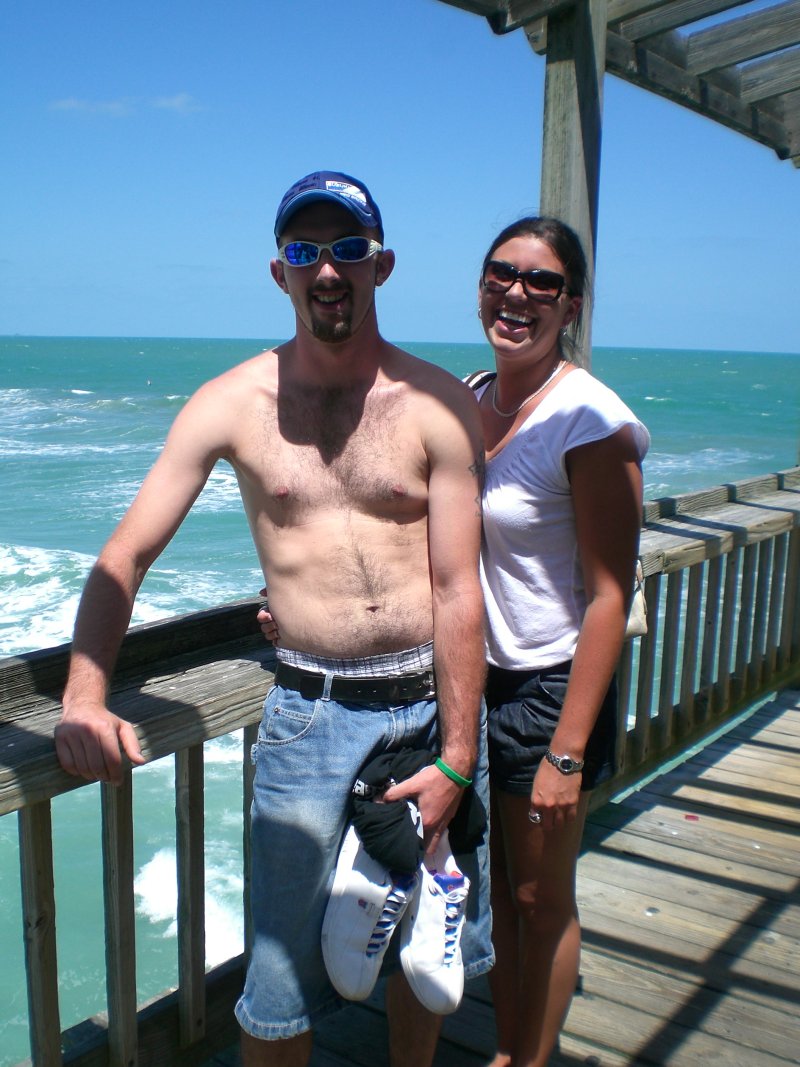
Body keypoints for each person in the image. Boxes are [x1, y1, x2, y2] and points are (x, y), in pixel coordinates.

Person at [54, 170, 493, 1067]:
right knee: (279, 983)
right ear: (278, 271)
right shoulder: (229, 405)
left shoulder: (438, 402)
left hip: (427, 699)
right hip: (310, 714)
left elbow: (459, 586)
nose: (327, 269)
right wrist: (83, 696)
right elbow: (123, 556)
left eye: (348, 249)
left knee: (425, 952)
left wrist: (458, 754)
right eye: (305, 250)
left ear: (381, 265)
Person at [474, 217, 649, 1067]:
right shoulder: (471, 397)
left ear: (571, 306)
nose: (517, 293)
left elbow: (610, 595)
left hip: (552, 686)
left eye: (542, 282)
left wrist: (567, 752)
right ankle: (510, 1048)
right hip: (480, 680)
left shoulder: (590, 418)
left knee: (543, 897)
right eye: (501, 274)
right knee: (502, 893)